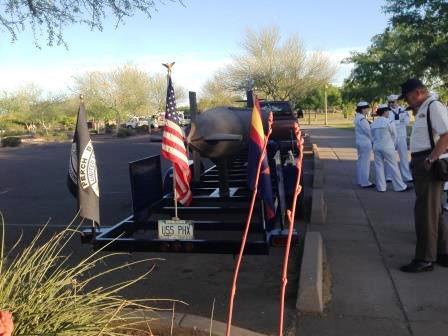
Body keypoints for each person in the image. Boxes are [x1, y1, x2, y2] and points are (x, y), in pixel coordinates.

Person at [399, 78, 448, 273]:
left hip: (428, 163)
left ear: (417, 92)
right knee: (434, 211)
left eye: (409, 97)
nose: (408, 102)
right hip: (424, 161)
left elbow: (446, 134)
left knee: (425, 212)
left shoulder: (433, 106)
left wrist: (431, 159)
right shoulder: (425, 108)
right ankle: (442, 252)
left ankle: (425, 258)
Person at [371, 104, 408, 192]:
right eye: (387, 111)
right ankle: (400, 186)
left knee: (379, 166)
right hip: (387, 146)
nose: (388, 112)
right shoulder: (389, 122)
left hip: (376, 146)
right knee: (393, 166)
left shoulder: (374, 123)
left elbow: (371, 136)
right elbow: (394, 135)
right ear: (384, 112)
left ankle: (381, 187)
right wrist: (392, 145)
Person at [388, 94, 413, 182]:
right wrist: (399, 122)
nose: (391, 104)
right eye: (390, 102)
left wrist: (395, 123)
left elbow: (406, 122)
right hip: (391, 136)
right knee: (390, 156)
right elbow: (388, 123)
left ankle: (407, 176)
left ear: (397, 101)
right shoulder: (387, 111)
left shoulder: (403, 110)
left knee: (404, 157)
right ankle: (389, 176)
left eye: (393, 102)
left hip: (402, 136)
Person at [354, 101, 374, 188]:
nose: (368, 110)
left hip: (359, 141)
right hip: (365, 142)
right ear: (362, 109)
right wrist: (374, 140)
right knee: (365, 163)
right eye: (366, 108)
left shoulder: (358, 117)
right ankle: (365, 182)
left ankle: (361, 180)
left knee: (361, 162)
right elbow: (368, 132)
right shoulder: (362, 119)